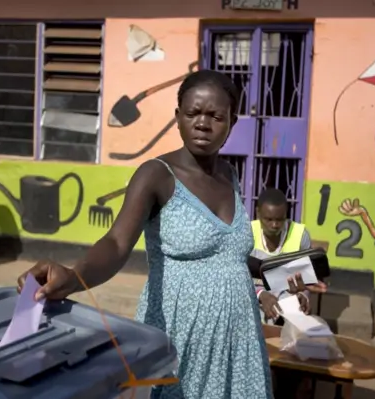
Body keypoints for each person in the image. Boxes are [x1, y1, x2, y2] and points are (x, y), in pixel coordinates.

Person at [18, 70, 274, 398]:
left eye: (216, 116)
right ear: (177, 117)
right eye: (193, 113)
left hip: (238, 343)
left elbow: (228, 254)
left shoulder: (230, 176)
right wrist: (74, 276)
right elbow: (116, 242)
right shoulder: (157, 175)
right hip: (179, 338)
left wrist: (275, 272)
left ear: (232, 123)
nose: (203, 123)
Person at [252, 188, 326, 323]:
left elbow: (307, 278)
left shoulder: (300, 235)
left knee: (296, 320)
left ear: (286, 215)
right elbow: (239, 277)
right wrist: (261, 294)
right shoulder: (248, 234)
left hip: (287, 297)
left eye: (280, 220)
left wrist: (303, 294)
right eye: (268, 219)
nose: (274, 225)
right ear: (258, 213)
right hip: (253, 296)